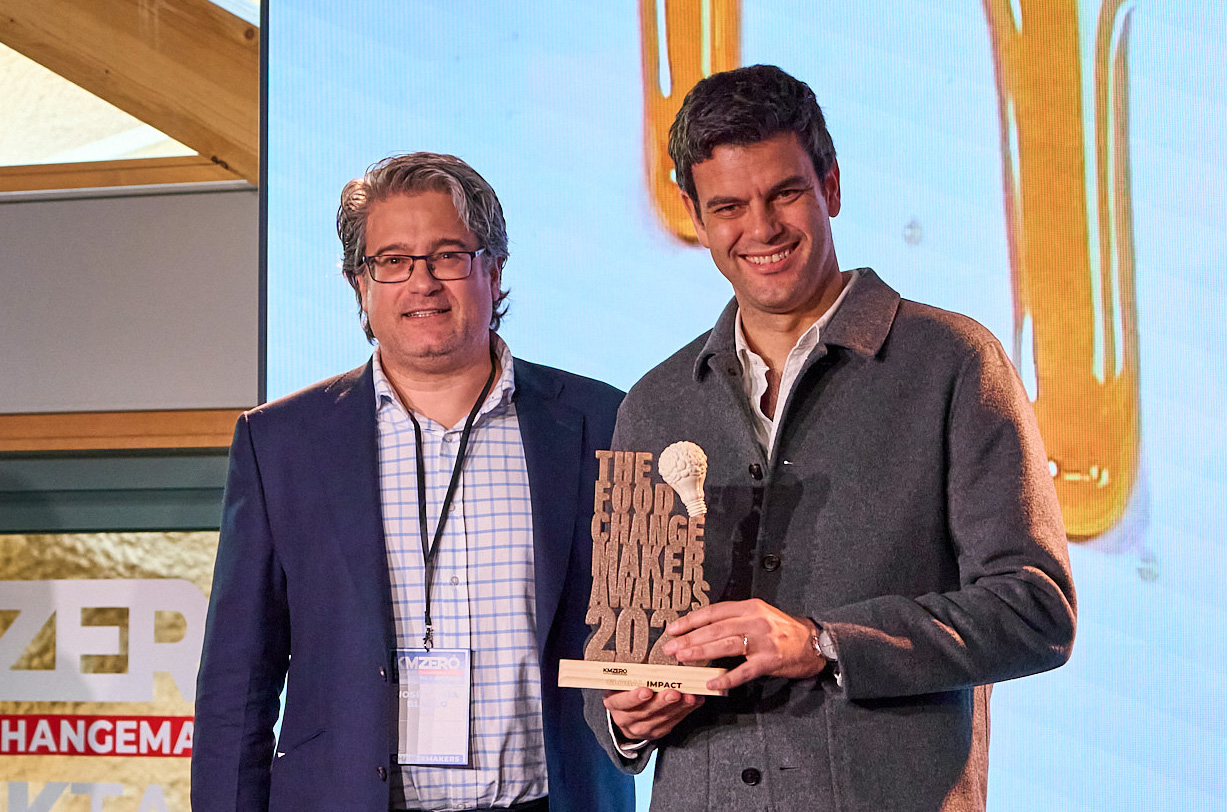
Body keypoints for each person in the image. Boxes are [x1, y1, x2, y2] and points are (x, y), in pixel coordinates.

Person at [586, 65, 1076, 812]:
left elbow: (1034, 611)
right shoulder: (653, 403)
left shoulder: (951, 362)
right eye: (728, 206)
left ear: (832, 187)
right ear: (693, 213)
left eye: (784, 193)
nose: (760, 229)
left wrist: (822, 641)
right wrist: (627, 713)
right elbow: (618, 652)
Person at [193, 152, 633, 812]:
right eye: (392, 261)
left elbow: (643, 631)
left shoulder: (603, 421)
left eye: (448, 255)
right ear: (358, 285)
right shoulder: (281, 443)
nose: (421, 282)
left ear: (494, 268)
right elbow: (238, 678)